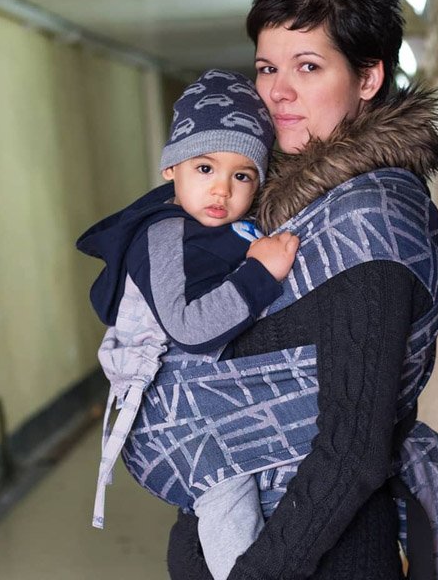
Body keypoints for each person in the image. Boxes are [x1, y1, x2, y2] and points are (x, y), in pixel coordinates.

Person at [160, 0, 438, 579]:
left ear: (368, 77)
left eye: (308, 66)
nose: (278, 90)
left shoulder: (370, 222)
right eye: (267, 68)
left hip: (311, 560)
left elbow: (352, 452)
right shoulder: (278, 207)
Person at [76, 69, 300, 580]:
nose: (221, 189)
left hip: (224, 397)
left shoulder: (231, 227)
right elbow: (189, 328)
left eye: (242, 176)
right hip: (179, 416)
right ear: (171, 169)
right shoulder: (162, 234)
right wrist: (260, 274)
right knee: (227, 495)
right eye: (204, 168)